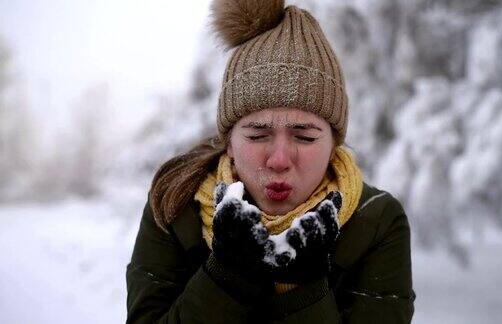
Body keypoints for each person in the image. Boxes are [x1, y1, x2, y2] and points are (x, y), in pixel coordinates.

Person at [126, 0, 415, 322]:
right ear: (229, 144)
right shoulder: (176, 202)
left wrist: (300, 288)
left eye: (304, 137)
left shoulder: (375, 220)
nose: (279, 160)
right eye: (257, 135)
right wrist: (225, 276)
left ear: (334, 145)